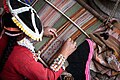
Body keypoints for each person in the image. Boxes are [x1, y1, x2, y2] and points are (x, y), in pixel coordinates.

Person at [0, 0, 76, 80]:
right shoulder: (22, 57)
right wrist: (64, 54)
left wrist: (41, 31)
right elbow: (47, 77)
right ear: (23, 34)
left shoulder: (4, 31)